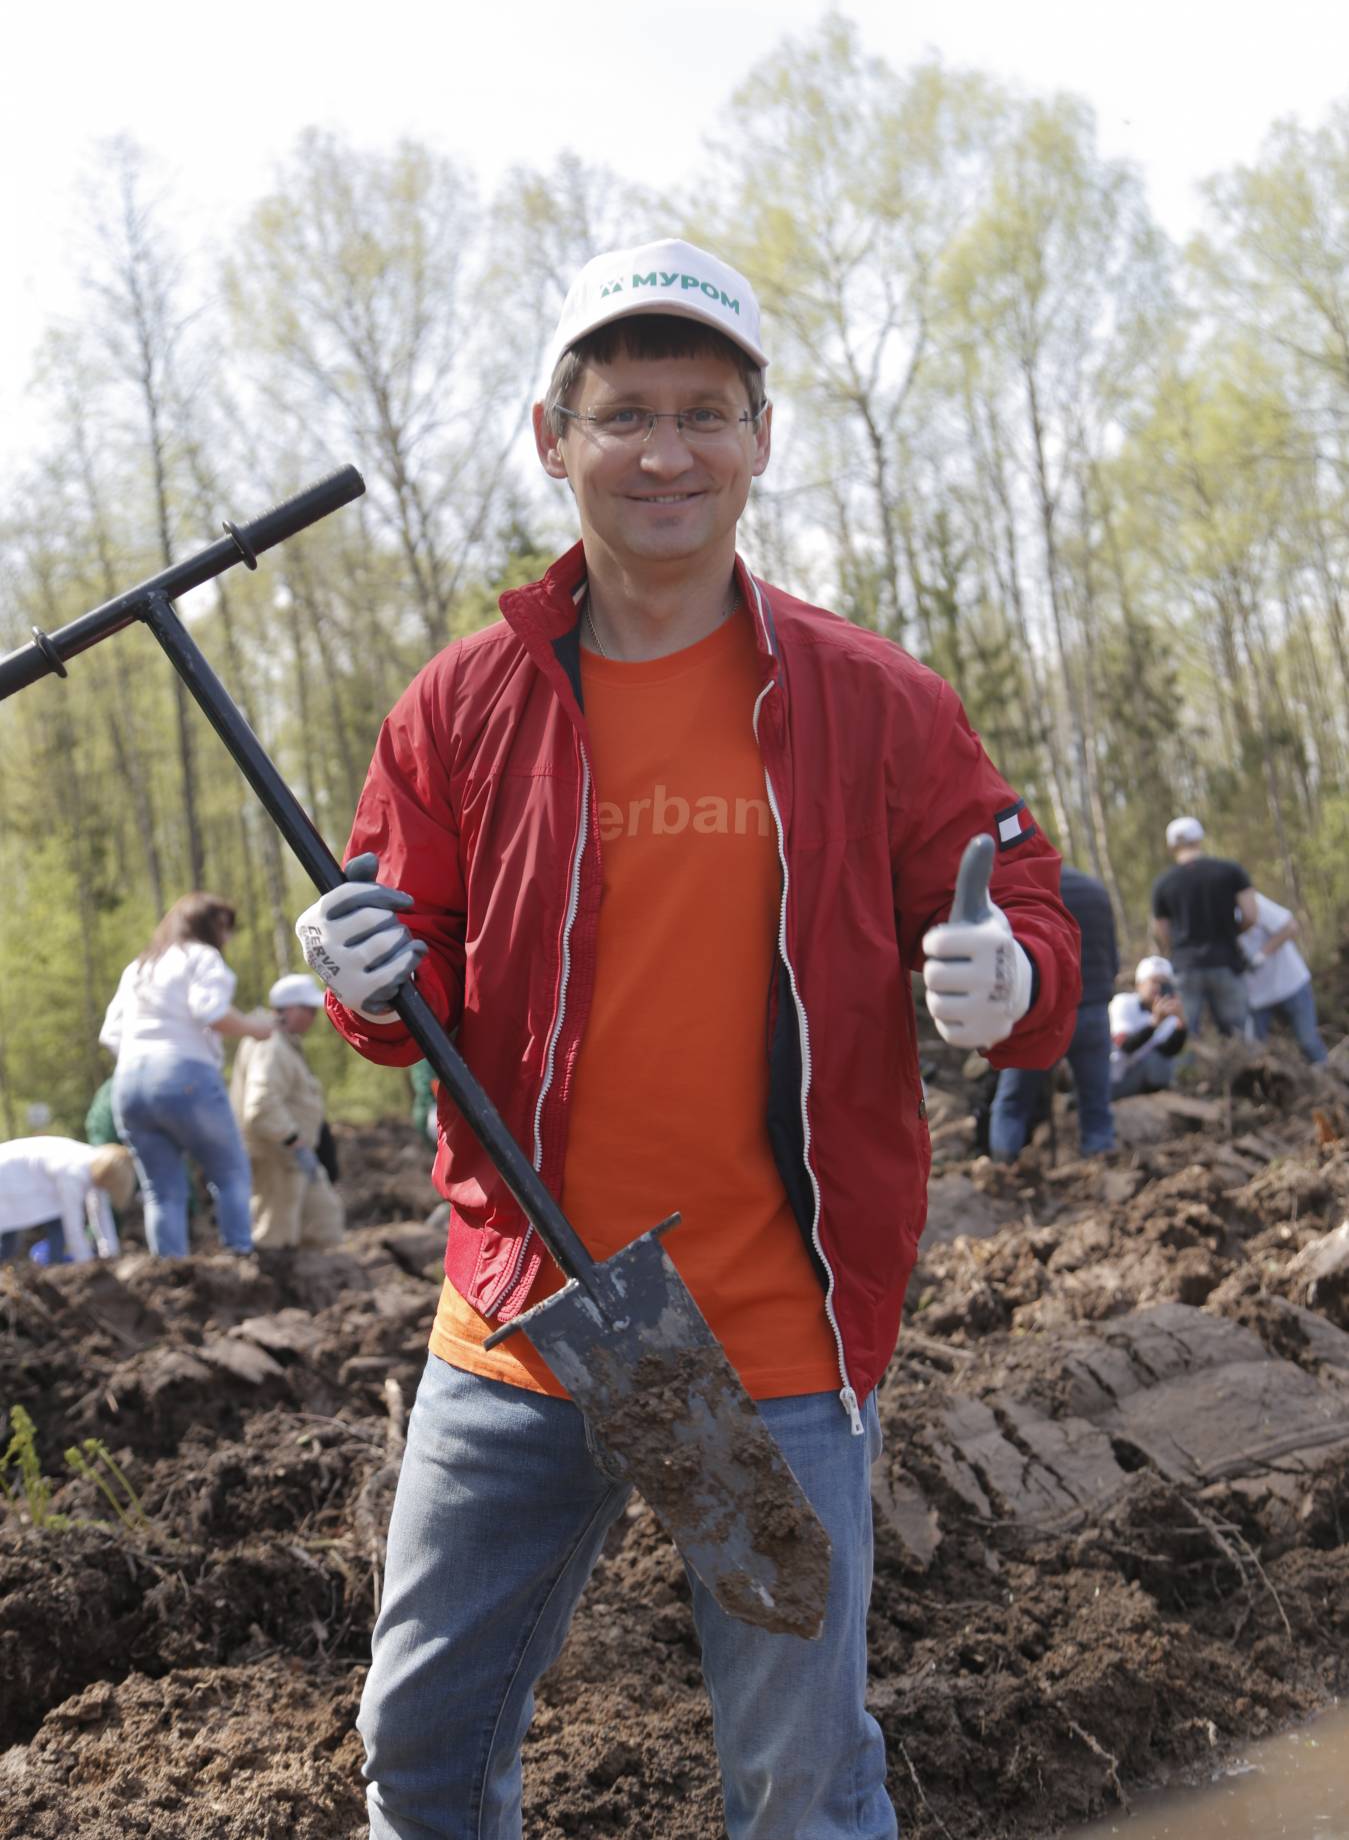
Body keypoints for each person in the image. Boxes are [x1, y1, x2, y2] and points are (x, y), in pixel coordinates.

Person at [294, 236, 1081, 1840]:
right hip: (522, 1317)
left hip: (757, 1341)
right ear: (552, 438)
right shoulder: (458, 709)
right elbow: (407, 981)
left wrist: (1019, 985)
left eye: (706, 412)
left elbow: (1026, 899)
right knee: (421, 1760)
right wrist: (365, 979)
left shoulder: (872, 699)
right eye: (625, 413)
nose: (666, 452)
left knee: (796, 1791)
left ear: (761, 437)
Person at [100, 892, 269, 1257]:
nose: (226, 938)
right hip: (184, 1074)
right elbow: (210, 1011)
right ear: (206, 926)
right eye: (224, 929)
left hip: (128, 1082)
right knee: (231, 1173)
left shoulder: (139, 967)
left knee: (162, 1191)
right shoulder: (202, 957)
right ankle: (240, 1257)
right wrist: (257, 1027)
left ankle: (170, 1271)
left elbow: (110, 1034)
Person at [988, 863, 1119, 1161]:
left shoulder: (1021, 891)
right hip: (1093, 1009)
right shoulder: (1095, 890)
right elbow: (1112, 957)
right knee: (1095, 1101)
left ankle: (1002, 1170)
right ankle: (1101, 1168)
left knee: (1013, 1102)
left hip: (1038, 1015)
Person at [230, 971, 344, 1248]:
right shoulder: (270, 1045)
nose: (313, 1017)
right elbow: (260, 1105)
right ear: (289, 1009)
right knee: (275, 1236)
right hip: (277, 1155)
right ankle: (271, 1286)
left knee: (324, 1222)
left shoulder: (284, 1044)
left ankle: (314, 1285)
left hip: (296, 1156)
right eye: (308, 1010)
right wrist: (293, 1139)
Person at [1151, 816, 1257, 1038]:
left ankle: (1188, 1072)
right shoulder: (1230, 871)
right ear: (1199, 838)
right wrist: (1231, 933)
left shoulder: (1163, 883)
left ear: (1172, 846)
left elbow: (1162, 932)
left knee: (1183, 1036)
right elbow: (1250, 915)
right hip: (1226, 961)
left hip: (1185, 966)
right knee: (1238, 1035)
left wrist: (1178, 949)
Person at [0, 1137, 136, 1264]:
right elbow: (72, 1224)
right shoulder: (73, 1173)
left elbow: (101, 1214)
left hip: (25, 1178)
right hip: (8, 1177)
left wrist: (111, 1256)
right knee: (54, 1230)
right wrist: (86, 1264)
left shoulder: (96, 1165)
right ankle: (54, 1271)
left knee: (14, 1240)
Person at [1239, 890, 1328, 1064]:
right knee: (1253, 1052)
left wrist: (1262, 954)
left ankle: (1330, 1086)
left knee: (1308, 1043)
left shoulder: (1250, 902)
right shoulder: (1209, 919)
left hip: (1291, 985)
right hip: (1256, 998)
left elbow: (1291, 926)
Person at [1109, 955, 1189, 1097]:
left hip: (1140, 1076)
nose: (1158, 987)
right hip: (1113, 1079)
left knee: (1161, 1063)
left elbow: (1168, 1051)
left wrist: (1181, 1024)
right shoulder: (1122, 1003)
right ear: (1139, 983)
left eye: (1163, 983)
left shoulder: (1167, 1013)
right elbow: (1126, 1046)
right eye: (1153, 981)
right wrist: (1154, 1023)